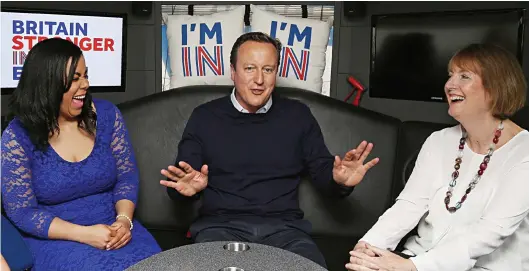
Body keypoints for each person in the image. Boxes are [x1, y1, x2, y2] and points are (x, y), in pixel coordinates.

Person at [159, 32, 379, 269]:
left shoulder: (298, 116)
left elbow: (324, 173)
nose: (259, 80)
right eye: (250, 68)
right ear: (233, 71)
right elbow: (181, 181)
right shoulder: (204, 117)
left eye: (268, 69)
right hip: (220, 228)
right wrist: (187, 190)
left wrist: (341, 181)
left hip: (286, 232)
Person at [346, 43, 529, 271]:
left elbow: (490, 233)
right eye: (450, 75)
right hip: (419, 257)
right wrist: (368, 247)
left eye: (464, 76)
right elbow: (410, 205)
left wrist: (412, 267)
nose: (450, 85)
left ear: (496, 87)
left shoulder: (524, 152)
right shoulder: (439, 140)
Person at [1, 38, 161, 270]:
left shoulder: (107, 115)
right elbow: (22, 212)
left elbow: (127, 176)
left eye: (85, 75)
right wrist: (84, 234)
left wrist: (124, 221)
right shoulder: (17, 136)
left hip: (116, 229)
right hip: (56, 239)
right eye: (75, 78)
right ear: (47, 84)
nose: (85, 84)